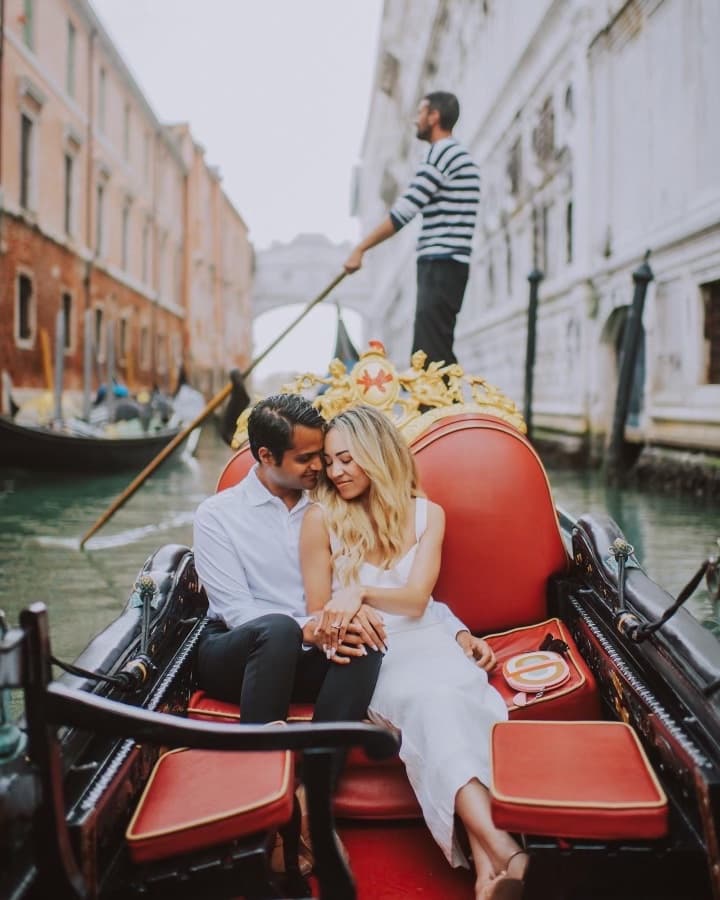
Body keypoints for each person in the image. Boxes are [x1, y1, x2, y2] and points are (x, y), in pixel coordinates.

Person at [300, 406, 528, 900]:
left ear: (376, 455)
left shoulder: (429, 514)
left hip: (431, 639)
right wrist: (343, 609)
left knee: (448, 699)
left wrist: (358, 591)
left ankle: (489, 871)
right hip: (377, 653)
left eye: (346, 459)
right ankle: (504, 849)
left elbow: (417, 599)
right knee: (431, 705)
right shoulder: (320, 520)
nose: (335, 472)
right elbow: (320, 616)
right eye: (328, 462)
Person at [192, 393, 386, 732]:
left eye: (320, 455)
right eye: (305, 458)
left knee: (362, 644)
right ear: (266, 456)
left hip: (311, 653)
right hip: (238, 652)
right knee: (279, 628)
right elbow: (236, 611)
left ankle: (317, 773)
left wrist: (342, 620)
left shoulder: (336, 502)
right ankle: (262, 765)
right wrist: (307, 629)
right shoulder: (217, 515)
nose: (319, 467)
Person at [344, 91, 480, 368]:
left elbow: (403, 212)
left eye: (420, 112)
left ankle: (444, 411)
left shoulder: (441, 154)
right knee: (435, 349)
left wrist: (360, 249)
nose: (415, 120)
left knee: (429, 355)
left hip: (440, 264)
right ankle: (444, 410)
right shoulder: (457, 155)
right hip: (449, 265)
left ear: (434, 116)